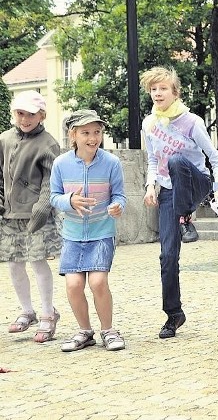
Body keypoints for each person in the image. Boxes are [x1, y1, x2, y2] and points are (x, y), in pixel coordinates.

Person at [141, 66, 218, 339]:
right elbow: (154, 160)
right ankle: (174, 314)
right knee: (167, 256)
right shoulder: (149, 123)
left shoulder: (192, 122)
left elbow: (216, 158)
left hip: (195, 183)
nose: (157, 93)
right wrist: (150, 186)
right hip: (169, 191)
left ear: (174, 92)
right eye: (153, 89)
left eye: (163, 88)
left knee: (178, 161)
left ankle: (186, 218)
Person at [50, 110, 127, 352]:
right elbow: (53, 197)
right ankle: (85, 331)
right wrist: (70, 201)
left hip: (102, 231)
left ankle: (108, 330)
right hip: (72, 235)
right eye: (86, 133)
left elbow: (119, 195)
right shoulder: (60, 164)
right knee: (73, 284)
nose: (93, 138)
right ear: (73, 135)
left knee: (98, 281)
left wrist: (117, 206)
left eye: (97, 132)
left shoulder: (111, 163)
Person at [0, 91, 61, 343]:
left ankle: (48, 313)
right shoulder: (3, 139)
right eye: (20, 113)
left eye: (31, 114)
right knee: (14, 265)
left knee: (37, 263)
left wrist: (41, 209)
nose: (25, 118)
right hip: (9, 215)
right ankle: (27, 311)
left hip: (36, 214)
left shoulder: (48, 144)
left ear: (42, 115)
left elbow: (51, 182)